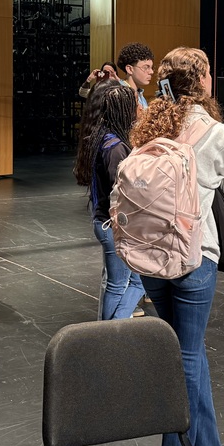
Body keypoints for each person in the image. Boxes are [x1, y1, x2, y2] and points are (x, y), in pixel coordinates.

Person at [129, 47, 224, 446]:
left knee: (185, 354)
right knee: (186, 357)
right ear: (202, 80)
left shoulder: (149, 126)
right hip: (193, 257)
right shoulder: (219, 135)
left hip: (149, 255)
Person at [73, 83, 145, 319]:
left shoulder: (103, 138)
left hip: (107, 222)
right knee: (124, 283)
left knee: (131, 281)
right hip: (114, 226)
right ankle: (111, 330)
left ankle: (109, 329)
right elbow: (123, 190)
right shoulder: (115, 148)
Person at [117, 42, 154, 109]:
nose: (151, 72)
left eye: (151, 68)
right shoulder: (120, 95)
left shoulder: (140, 95)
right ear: (130, 69)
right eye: (146, 67)